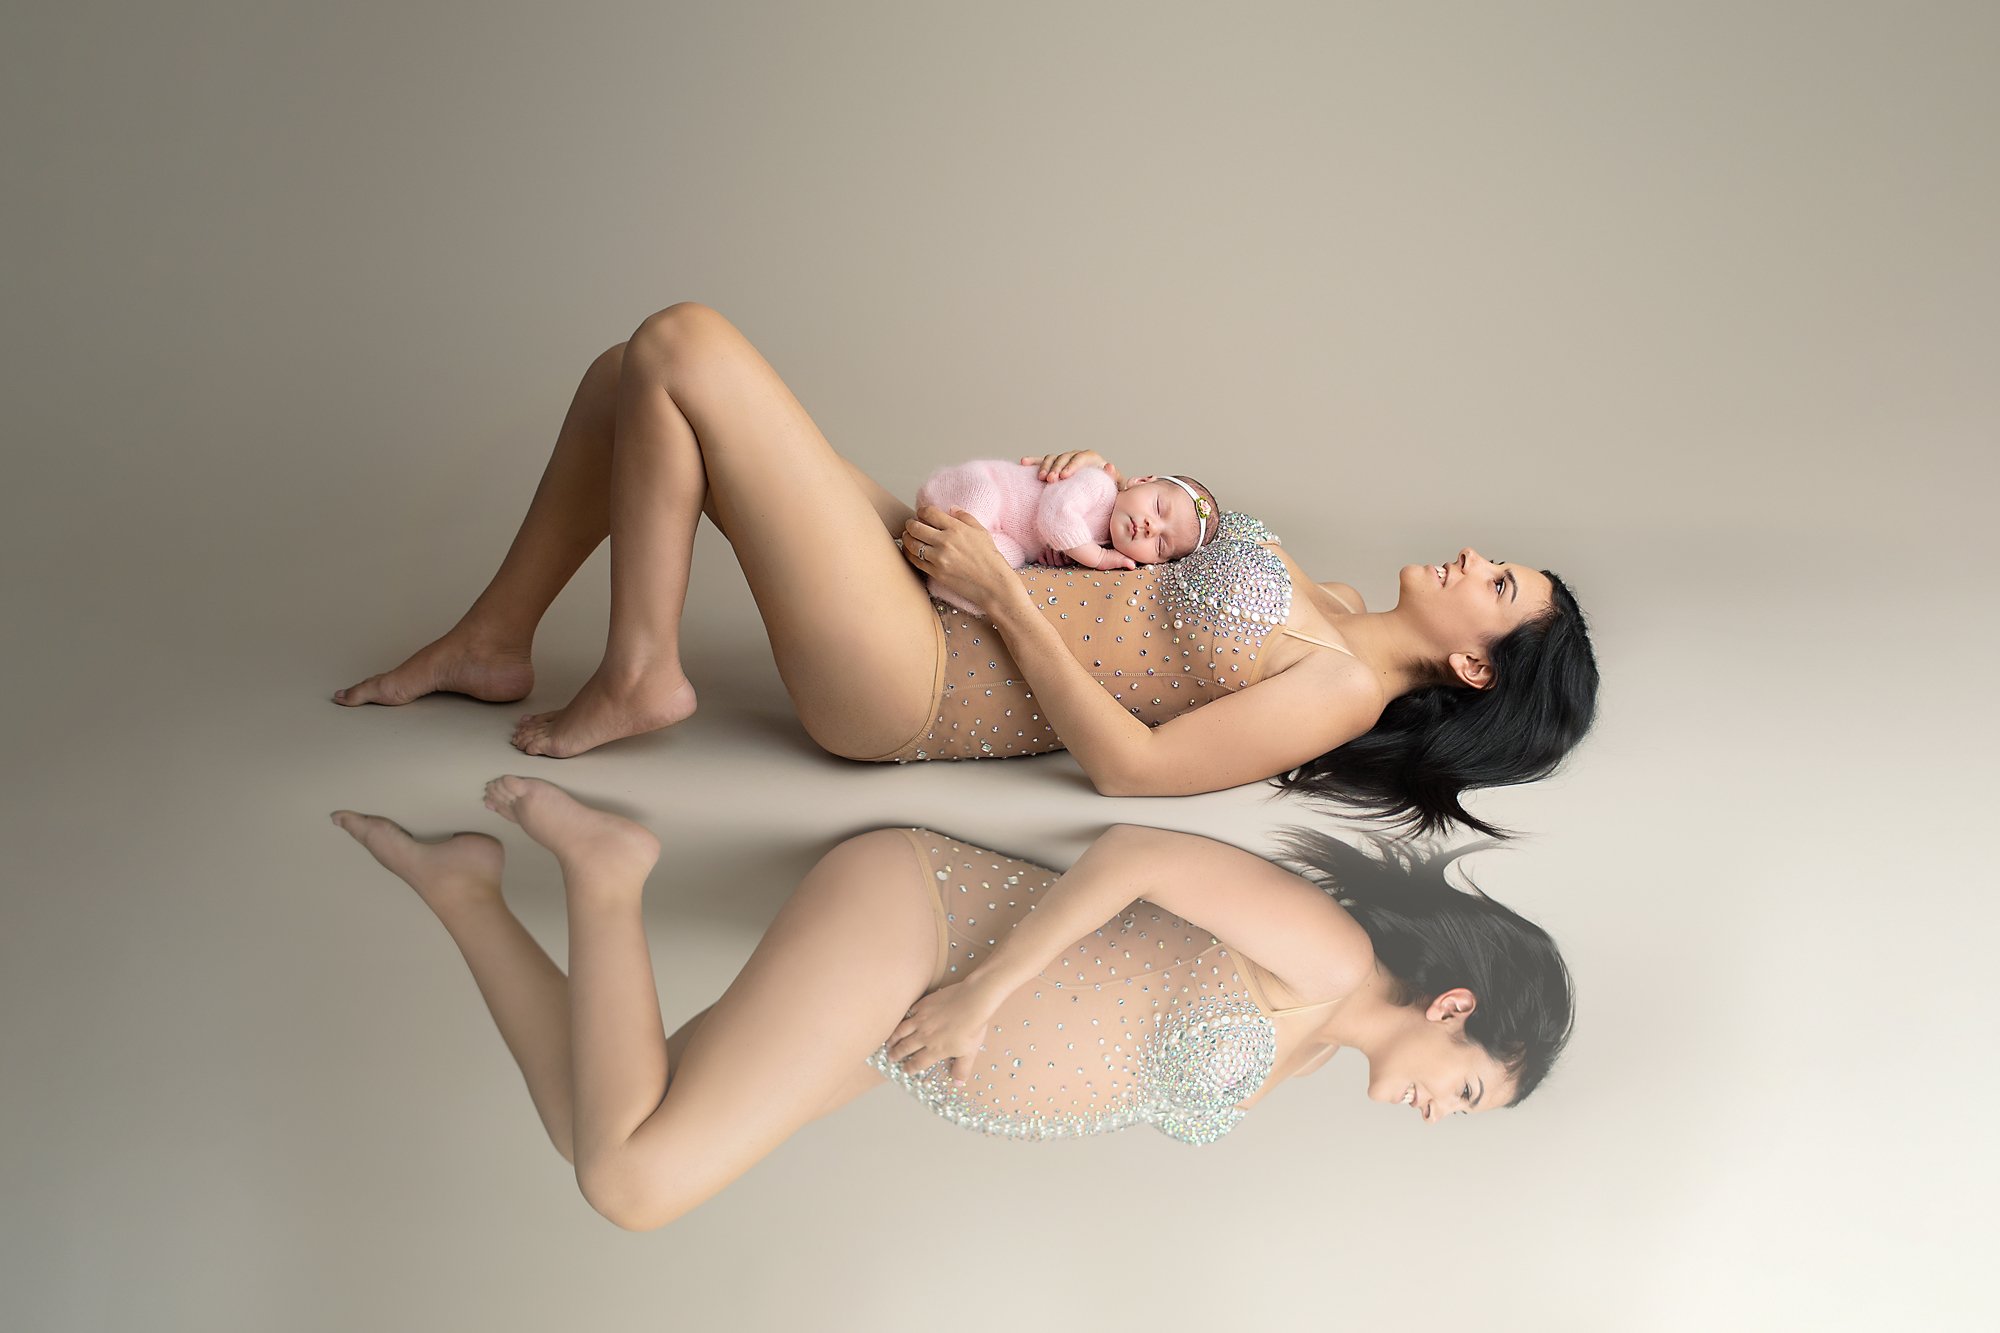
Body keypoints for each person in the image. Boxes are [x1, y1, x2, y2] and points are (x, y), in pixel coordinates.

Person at [332, 302, 1597, 831]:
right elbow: (1167, 581)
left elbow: (1135, 767)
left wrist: (1001, 601)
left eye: (1499, 584)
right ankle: (495, 637)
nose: (1476, 556)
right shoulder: (1324, 600)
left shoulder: (1337, 689)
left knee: (686, 345)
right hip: (953, 578)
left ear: (1476, 662)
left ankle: (643, 667)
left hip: (927, 673)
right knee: (631, 377)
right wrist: (1120, 489)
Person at [330, 777, 1575, 1231]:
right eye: (1462, 1088)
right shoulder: (1329, 956)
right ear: (1453, 1005)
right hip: (922, 926)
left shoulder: (1308, 1056)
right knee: (633, 1182)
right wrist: (981, 999)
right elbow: (1135, 855)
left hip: (905, 1032)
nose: (1432, 1111)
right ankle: (605, 875)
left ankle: (466, 893)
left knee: (607, 1132)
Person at [912, 457, 1221, 613]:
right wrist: (1098, 557)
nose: (1152, 526)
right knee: (978, 508)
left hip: (1004, 532)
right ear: (1139, 481)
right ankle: (942, 544)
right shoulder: (1098, 485)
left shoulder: (1100, 539)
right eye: (1158, 507)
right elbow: (1055, 516)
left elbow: (1056, 540)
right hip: (978, 487)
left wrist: (1059, 556)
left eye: (1161, 543)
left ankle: (938, 582)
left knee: (1003, 561)